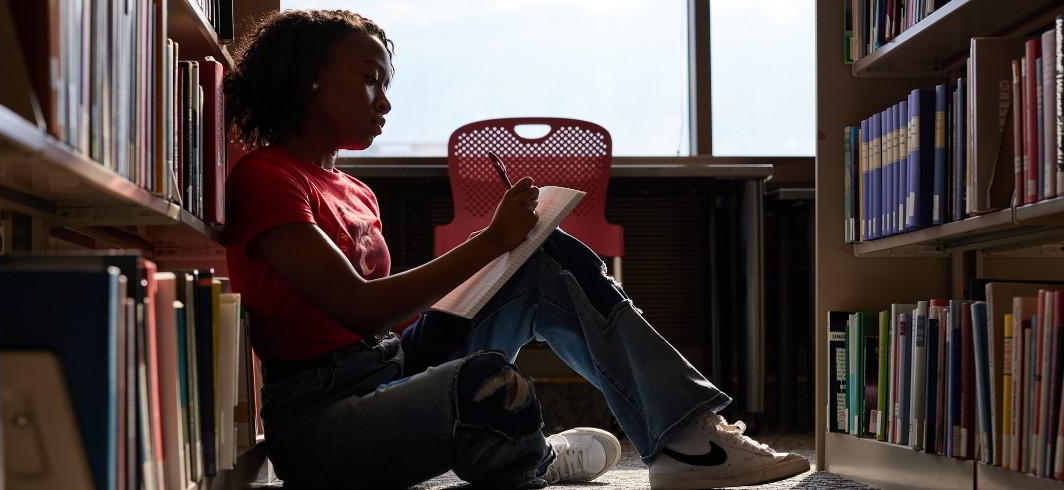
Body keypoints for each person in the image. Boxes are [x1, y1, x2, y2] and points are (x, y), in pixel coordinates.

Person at [223, 9, 810, 490]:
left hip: (389, 365)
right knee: (488, 392)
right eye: (370, 78)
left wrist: (508, 255)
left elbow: (385, 326)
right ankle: (538, 458)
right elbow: (359, 308)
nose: (385, 102)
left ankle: (689, 440)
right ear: (309, 78)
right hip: (323, 416)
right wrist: (491, 243)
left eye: (387, 83)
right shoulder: (265, 177)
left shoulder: (354, 189)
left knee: (545, 258)